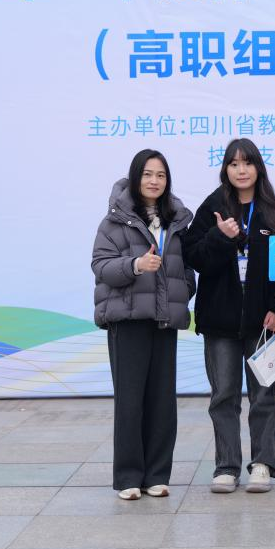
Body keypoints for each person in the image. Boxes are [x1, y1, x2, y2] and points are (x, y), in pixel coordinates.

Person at [182, 138, 275, 494]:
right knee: (224, 396)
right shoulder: (212, 207)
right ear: (225, 169)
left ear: (258, 167)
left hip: (266, 322)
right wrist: (220, 236)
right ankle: (226, 466)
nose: (241, 170)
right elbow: (194, 258)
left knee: (264, 397)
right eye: (234, 164)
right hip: (220, 322)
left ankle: (262, 464)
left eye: (247, 163)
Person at [91, 149, 195, 500]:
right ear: (136, 178)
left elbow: (185, 268)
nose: (154, 181)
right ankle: (128, 477)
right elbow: (101, 266)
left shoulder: (175, 222)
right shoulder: (115, 222)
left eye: (161, 175)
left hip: (164, 319)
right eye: (148, 174)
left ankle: (157, 474)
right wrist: (135, 265)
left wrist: (184, 288)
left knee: (163, 401)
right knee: (130, 400)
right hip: (129, 319)